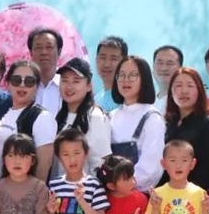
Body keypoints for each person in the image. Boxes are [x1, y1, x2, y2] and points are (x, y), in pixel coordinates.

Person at [0, 60, 57, 182]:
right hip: (1, 188)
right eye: (16, 80)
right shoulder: (5, 113)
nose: (22, 85)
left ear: (37, 87)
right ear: (7, 84)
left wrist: (30, 193)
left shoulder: (42, 117)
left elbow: (43, 167)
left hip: (24, 191)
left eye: (29, 81)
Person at [163, 67, 209, 192]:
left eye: (190, 86)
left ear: (199, 91)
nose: (184, 91)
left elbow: (208, 170)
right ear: (171, 92)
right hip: (167, 193)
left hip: (195, 195)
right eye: (178, 86)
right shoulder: (168, 123)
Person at [110, 55, 166, 191]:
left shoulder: (152, 117)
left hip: (137, 193)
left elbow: (152, 166)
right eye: (121, 75)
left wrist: (126, 185)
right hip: (110, 190)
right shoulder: (111, 116)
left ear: (144, 79)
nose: (126, 80)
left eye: (133, 75)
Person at [56, 57, 112, 175]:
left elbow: (100, 162)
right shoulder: (60, 116)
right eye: (65, 80)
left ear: (88, 86)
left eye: (76, 81)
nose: (69, 86)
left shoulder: (94, 117)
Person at [29, 27, 63, 115]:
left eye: (49, 47)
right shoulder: (23, 85)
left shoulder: (67, 86)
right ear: (31, 53)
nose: (44, 52)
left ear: (59, 52)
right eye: (38, 48)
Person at [94, 36, 127, 113]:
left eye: (113, 59)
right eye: (103, 58)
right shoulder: (96, 99)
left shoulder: (127, 99)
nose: (107, 64)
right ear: (96, 60)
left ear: (124, 63)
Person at [153, 45, 183, 115]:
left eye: (170, 63)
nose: (164, 68)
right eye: (160, 63)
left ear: (180, 69)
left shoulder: (184, 102)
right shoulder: (146, 103)